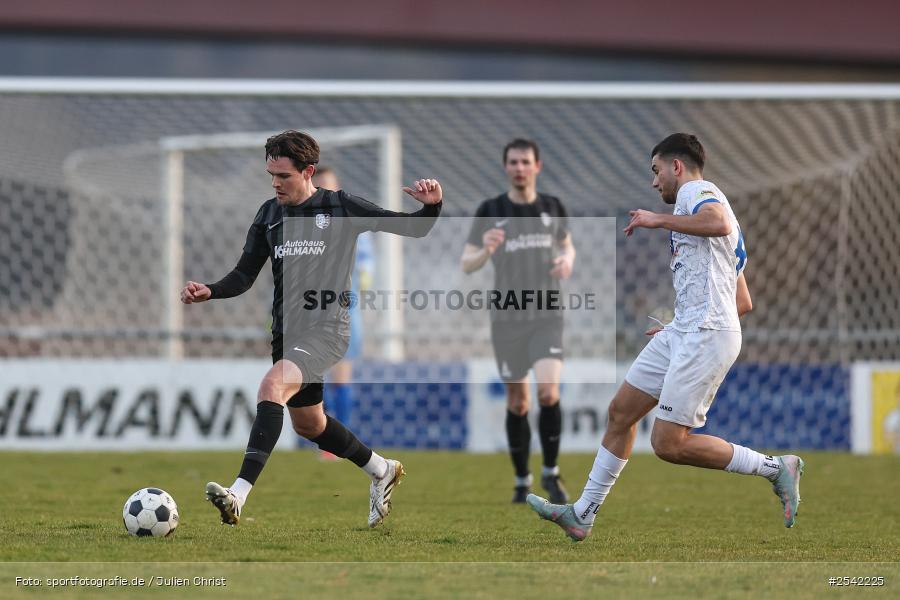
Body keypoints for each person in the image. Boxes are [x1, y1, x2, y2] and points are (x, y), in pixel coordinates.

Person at [527, 133, 804, 541]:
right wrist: (675, 320)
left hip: (707, 334)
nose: (655, 183)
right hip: (689, 329)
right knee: (621, 411)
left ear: (677, 167)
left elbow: (717, 222)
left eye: (656, 171)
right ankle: (582, 514)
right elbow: (741, 300)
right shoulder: (707, 215)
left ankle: (776, 468)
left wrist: (656, 220)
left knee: (669, 444)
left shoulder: (698, 192)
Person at [180, 130, 442, 529]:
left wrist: (433, 206)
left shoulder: (340, 207)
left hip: (328, 328)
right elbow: (244, 276)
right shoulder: (269, 215)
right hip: (287, 333)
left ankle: (239, 494)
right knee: (310, 424)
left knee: (271, 387)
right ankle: (381, 469)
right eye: (270, 174)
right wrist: (210, 290)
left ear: (308, 172)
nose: (274, 183)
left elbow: (413, 227)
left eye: (282, 176)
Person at [461, 138, 576, 504]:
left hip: (547, 314)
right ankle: (522, 479)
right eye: (513, 162)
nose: (519, 168)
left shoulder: (552, 207)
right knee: (518, 401)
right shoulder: (491, 210)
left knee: (548, 391)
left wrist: (568, 260)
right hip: (507, 318)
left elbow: (568, 245)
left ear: (537, 166)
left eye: (526, 162)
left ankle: (551, 474)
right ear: (505, 167)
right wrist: (486, 249)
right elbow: (467, 263)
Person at [307, 166, 375, 460]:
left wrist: (360, 278)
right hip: (309, 312)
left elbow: (367, 264)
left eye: (330, 189)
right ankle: (324, 437)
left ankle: (339, 442)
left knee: (341, 376)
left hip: (345, 310)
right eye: (319, 188)